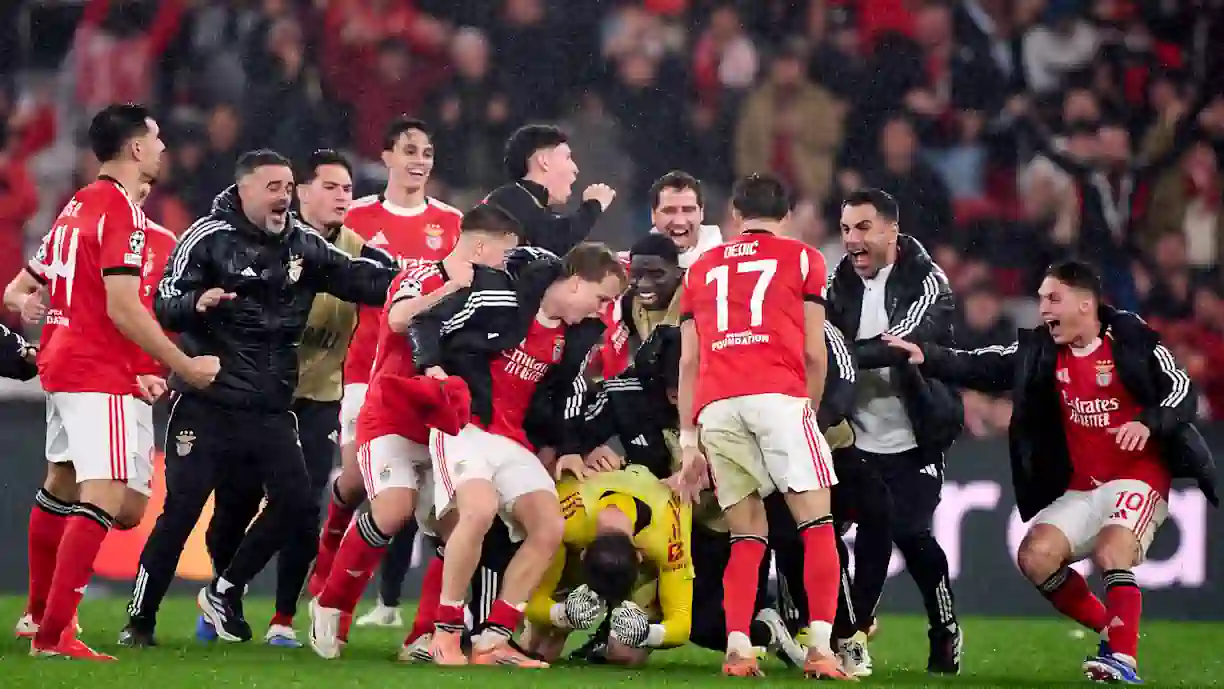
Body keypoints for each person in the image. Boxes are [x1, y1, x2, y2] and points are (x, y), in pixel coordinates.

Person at [882, 259, 1218, 685]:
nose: (1042, 309)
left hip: (1139, 477)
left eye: (1052, 298)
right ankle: (1113, 632)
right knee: (1035, 557)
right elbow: (986, 365)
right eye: (1040, 298)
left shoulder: (1131, 339)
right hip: (1083, 488)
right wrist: (927, 356)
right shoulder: (1043, 352)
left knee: (1112, 552)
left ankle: (1123, 660)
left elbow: (1181, 388)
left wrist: (1150, 422)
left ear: (1085, 303)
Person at [125, 149, 396, 645]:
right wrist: (195, 302)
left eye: (288, 188)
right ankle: (139, 620)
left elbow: (361, 280)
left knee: (298, 506)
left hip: (271, 407)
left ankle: (225, 591)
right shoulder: (205, 237)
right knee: (183, 510)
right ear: (244, 189)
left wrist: (399, 271)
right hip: (208, 399)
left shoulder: (301, 243)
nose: (283, 198)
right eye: (274, 187)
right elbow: (162, 303)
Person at [20, 105, 218, 661]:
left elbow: (16, 290)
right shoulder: (122, 214)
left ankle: (39, 615)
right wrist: (182, 363)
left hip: (64, 363)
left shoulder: (76, 205)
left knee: (74, 485)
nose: (162, 147)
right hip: (98, 369)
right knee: (106, 495)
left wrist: (31, 301)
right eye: (155, 138)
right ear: (135, 149)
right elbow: (126, 308)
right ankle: (54, 635)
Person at [307, 204, 523, 660]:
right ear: (481, 244)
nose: (506, 262)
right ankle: (332, 605)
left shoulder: (490, 294)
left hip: (441, 427)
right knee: (394, 510)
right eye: (505, 251)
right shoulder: (423, 275)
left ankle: (423, 634)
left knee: (455, 525)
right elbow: (400, 320)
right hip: (390, 415)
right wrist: (449, 289)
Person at [675, 173, 850, 680]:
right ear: (787, 216)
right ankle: (820, 648)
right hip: (779, 395)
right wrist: (808, 414)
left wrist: (689, 442)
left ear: (733, 215)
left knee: (746, 535)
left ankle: (738, 649)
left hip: (717, 405)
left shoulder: (701, 267)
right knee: (816, 524)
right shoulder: (804, 258)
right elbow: (814, 352)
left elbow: (689, 362)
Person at [418, 243, 625, 667]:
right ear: (575, 282)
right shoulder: (502, 298)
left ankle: (493, 640)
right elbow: (427, 321)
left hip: (514, 440)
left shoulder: (577, 335)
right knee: (478, 511)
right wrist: (431, 366)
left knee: (549, 527)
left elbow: (570, 391)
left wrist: (568, 448)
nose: (602, 311)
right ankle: (445, 633)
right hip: (464, 426)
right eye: (600, 298)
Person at [824, 187, 964, 675]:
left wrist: (833, 355)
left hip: (916, 435)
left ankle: (944, 627)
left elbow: (900, 346)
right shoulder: (835, 284)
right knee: (825, 531)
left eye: (863, 228)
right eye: (844, 229)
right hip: (853, 437)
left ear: (891, 230)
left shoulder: (929, 281)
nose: (852, 240)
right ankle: (852, 628)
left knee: (910, 532)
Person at [520, 465, 694, 666]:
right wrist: (563, 614)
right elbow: (529, 600)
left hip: (646, 567)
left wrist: (646, 633)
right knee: (537, 649)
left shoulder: (670, 536)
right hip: (571, 550)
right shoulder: (563, 518)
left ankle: (608, 638)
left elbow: (681, 624)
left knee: (624, 653)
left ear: (640, 557)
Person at [482, 124, 616, 255]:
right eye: (567, 157)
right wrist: (593, 206)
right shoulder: (506, 200)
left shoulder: (529, 204)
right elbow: (554, 240)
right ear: (544, 161)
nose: (575, 169)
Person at [647, 170, 722, 269]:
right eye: (669, 211)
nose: (679, 221)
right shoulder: (633, 267)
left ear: (701, 213)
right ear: (653, 214)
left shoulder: (728, 265)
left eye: (688, 210)